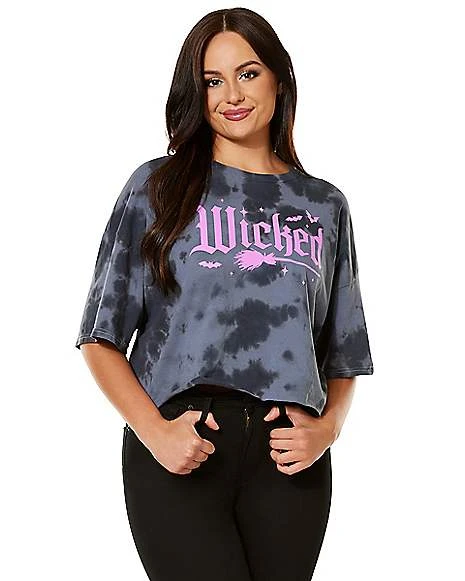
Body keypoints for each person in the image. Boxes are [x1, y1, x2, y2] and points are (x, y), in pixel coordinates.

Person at [75, 7, 374, 581]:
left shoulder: (323, 205)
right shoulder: (157, 187)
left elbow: (344, 349)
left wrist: (329, 429)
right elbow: (99, 336)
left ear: (279, 79)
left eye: (248, 73)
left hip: (289, 459)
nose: (231, 95)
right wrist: (156, 434)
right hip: (184, 444)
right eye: (212, 81)